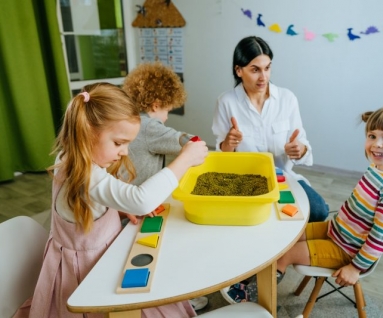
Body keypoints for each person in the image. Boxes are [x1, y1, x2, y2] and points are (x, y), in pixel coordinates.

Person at [14, 82, 208, 318]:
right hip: (85, 273)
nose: (125, 152)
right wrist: (185, 158)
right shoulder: (84, 173)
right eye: (118, 143)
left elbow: (86, 205)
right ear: (87, 131)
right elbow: (141, 199)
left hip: (97, 257)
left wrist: (115, 210)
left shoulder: (73, 157)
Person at [245, 105, 383, 302]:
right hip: (335, 230)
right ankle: (253, 280)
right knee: (285, 237)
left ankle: (254, 299)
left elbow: (380, 238)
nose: (377, 144)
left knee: (283, 256)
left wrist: (355, 268)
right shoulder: (378, 168)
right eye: (372, 136)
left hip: (346, 250)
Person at [212, 35, 329, 223]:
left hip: (282, 179)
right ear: (239, 70)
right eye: (255, 70)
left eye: (267, 68)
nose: (263, 77)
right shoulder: (226, 102)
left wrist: (300, 149)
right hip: (245, 180)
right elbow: (222, 156)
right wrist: (228, 144)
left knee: (319, 212)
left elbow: (304, 145)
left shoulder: (287, 99)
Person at [122, 62, 209, 311]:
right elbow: (184, 140)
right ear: (156, 103)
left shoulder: (128, 121)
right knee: (176, 237)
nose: (167, 117)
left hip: (122, 200)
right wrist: (195, 142)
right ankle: (176, 293)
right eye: (167, 111)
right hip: (141, 206)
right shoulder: (150, 127)